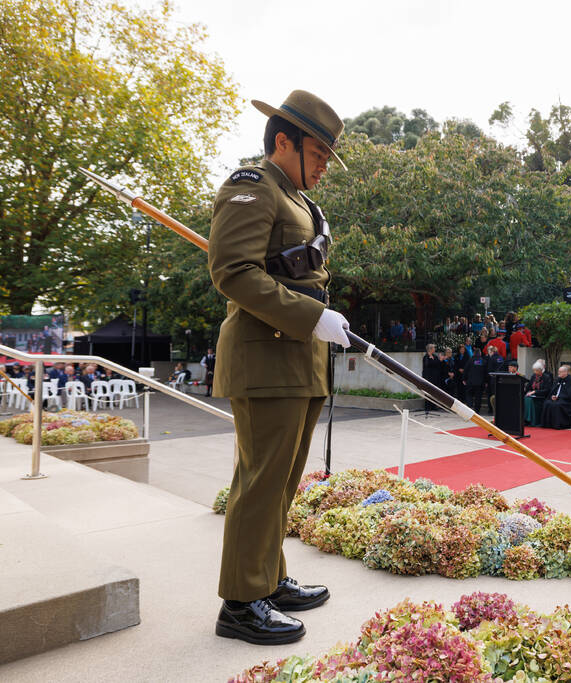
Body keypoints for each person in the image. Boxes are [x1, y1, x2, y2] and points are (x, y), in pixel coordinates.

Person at [208, 90, 350, 644]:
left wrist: (317, 323)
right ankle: (241, 603)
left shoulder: (302, 203)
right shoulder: (253, 186)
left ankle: (266, 577)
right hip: (265, 354)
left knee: (283, 481)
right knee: (261, 480)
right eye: (318, 153)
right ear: (283, 141)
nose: (324, 165)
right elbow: (233, 272)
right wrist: (312, 316)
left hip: (298, 358)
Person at [540, 365, 571, 429]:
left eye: (560, 372)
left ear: (565, 372)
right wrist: (552, 396)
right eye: (559, 371)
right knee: (547, 403)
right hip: (557, 398)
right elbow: (553, 390)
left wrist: (559, 397)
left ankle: (559, 424)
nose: (559, 373)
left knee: (557, 405)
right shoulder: (558, 379)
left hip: (567, 401)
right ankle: (548, 424)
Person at [523, 360, 553, 427]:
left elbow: (547, 390)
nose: (535, 372)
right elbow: (529, 386)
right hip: (532, 395)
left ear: (541, 370)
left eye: (536, 370)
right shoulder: (533, 376)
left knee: (529, 400)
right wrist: (525, 391)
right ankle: (525, 419)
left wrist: (535, 392)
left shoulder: (546, 377)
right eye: (534, 370)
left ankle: (530, 420)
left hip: (541, 396)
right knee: (525, 398)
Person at [421, 343, 442, 414]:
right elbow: (427, 365)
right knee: (428, 392)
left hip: (435, 378)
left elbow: (438, 364)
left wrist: (440, 360)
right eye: (433, 348)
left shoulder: (435, 356)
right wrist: (432, 360)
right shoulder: (426, 357)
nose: (434, 349)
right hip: (428, 378)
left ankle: (434, 406)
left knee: (434, 392)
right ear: (430, 349)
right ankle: (427, 407)